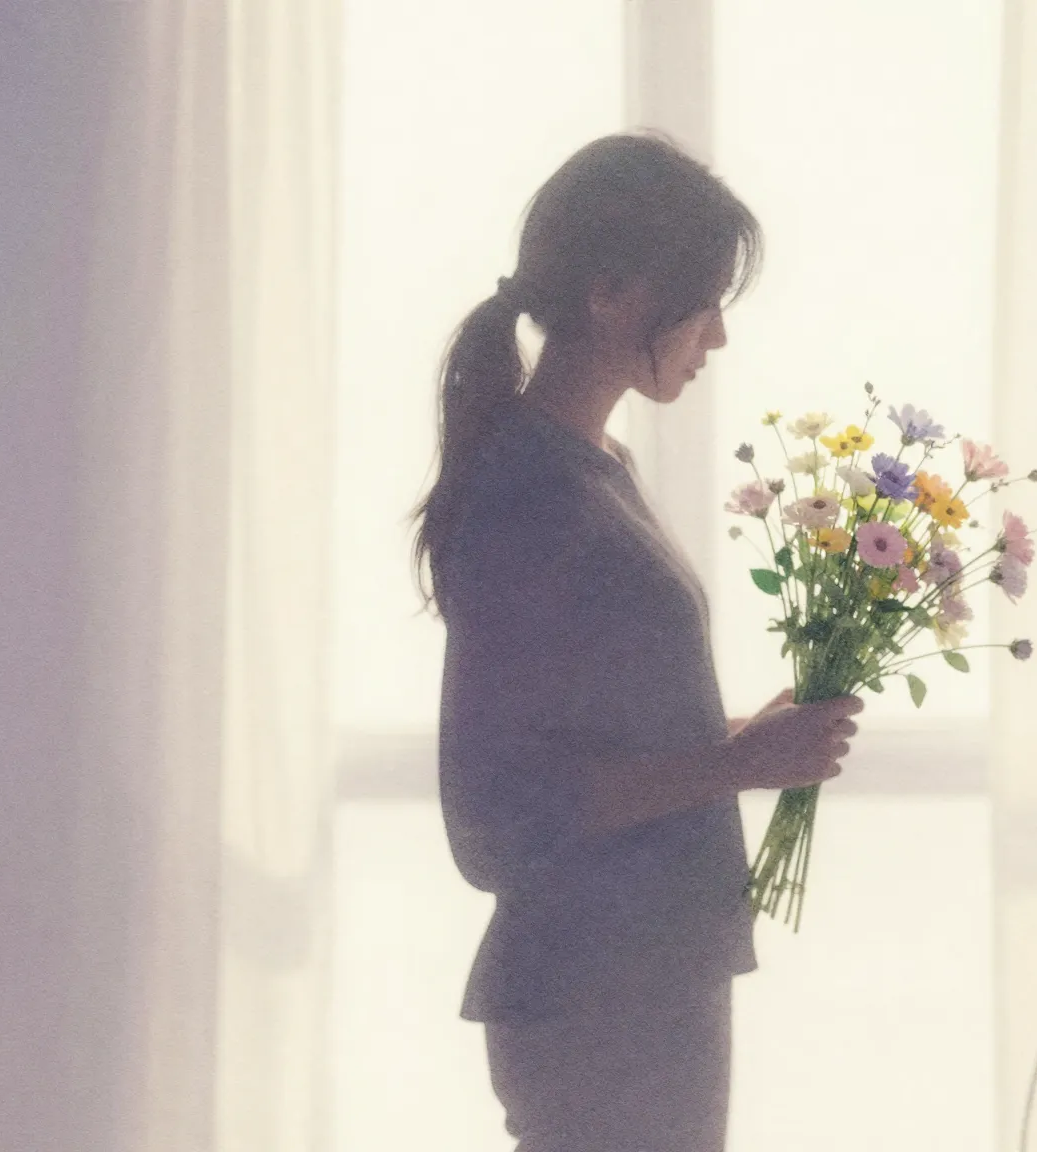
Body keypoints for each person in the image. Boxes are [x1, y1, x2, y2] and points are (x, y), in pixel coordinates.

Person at [411, 131, 861, 1152]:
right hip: (595, 995)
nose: (718, 336)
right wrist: (735, 764)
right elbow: (499, 813)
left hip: (646, 976)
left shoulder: (589, 465)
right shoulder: (530, 491)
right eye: (703, 303)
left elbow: (588, 739)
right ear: (612, 295)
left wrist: (748, 738)